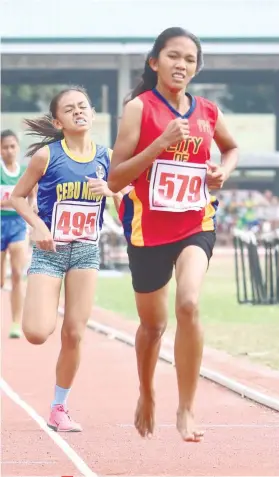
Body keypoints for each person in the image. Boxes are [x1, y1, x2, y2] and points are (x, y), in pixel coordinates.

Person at [108, 27, 239, 442]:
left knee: (188, 303)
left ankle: (186, 407)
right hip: (148, 231)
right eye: (173, 56)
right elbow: (114, 179)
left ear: (196, 68)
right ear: (154, 62)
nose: (181, 65)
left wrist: (223, 171)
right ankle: (147, 393)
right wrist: (159, 145)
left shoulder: (208, 112)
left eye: (189, 59)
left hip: (194, 223)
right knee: (153, 326)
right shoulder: (139, 110)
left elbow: (231, 149)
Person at [11, 86, 123, 432]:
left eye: (84, 107)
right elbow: (17, 197)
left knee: (74, 333)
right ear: (58, 121)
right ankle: (43, 303)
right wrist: (38, 226)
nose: (79, 112)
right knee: (36, 332)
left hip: (86, 252)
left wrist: (112, 191)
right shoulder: (47, 156)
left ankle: (59, 407)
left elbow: (123, 206)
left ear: (92, 113)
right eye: (71, 109)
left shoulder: (108, 156)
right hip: (50, 252)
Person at [0, 129, 36, 339]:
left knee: (16, 274)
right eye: (5, 147)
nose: (9, 150)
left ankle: (15, 322)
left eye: (13, 146)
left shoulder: (24, 172)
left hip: (17, 225)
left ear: (18, 148)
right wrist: (9, 202)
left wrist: (27, 214)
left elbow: (32, 196)